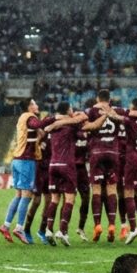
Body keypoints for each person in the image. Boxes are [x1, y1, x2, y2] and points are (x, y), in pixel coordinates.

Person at [105, 99, 137, 245]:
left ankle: (133, 227)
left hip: (133, 159)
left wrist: (107, 112)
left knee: (128, 193)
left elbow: (117, 117)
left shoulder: (130, 121)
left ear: (134, 107)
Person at [40, 102, 88, 247]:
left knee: (54, 199)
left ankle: (48, 230)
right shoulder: (71, 126)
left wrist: (55, 124)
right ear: (68, 110)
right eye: (71, 109)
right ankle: (63, 231)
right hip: (67, 165)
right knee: (70, 199)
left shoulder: (52, 122)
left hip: (53, 165)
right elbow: (82, 123)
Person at [83, 89, 126, 243]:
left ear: (97, 98)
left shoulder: (90, 111)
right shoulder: (118, 110)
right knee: (112, 189)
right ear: (110, 99)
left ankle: (97, 225)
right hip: (113, 152)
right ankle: (113, 225)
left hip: (97, 152)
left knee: (96, 189)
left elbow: (85, 126)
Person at [0, 98, 42, 244]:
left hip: (17, 159)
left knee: (18, 194)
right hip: (26, 161)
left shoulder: (22, 119)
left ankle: (5, 225)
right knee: (27, 195)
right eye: (34, 103)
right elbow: (38, 124)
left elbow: (36, 130)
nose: (36, 105)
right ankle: (19, 228)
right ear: (29, 106)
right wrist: (54, 119)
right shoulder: (29, 117)